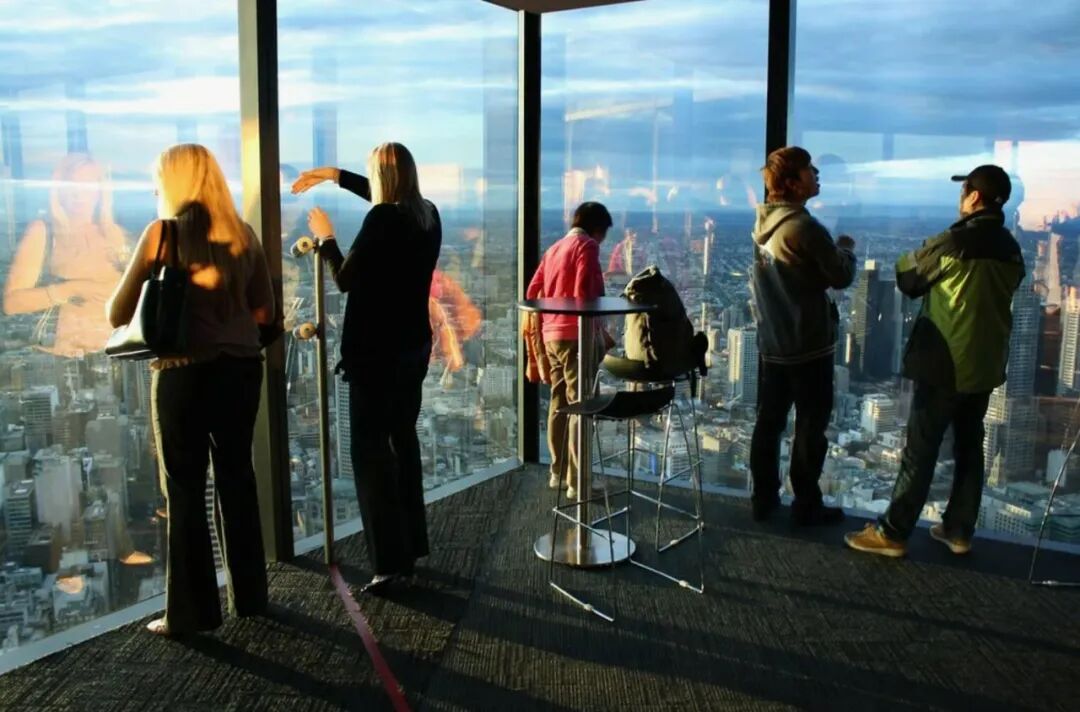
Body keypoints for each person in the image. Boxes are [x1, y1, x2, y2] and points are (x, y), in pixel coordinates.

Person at [106, 144, 275, 635]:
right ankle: (251, 598)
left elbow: (118, 313)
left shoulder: (163, 234)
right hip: (241, 370)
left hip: (184, 372)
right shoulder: (243, 235)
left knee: (183, 489)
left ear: (172, 184)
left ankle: (191, 614)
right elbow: (265, 312)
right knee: (237, 477)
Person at [845, 165, 1024, 558]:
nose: (961, 198)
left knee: (920, 450)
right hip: (986, 363)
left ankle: (893, 532)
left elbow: (908, 278)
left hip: (945, 361)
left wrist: (922, 250)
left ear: (974, 197)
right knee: (969, 446)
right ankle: (959, 530)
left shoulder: (954, 241)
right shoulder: (1012, 248)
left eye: (964, 192)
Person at [295, 143, 441, 592]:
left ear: (380, 179)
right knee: (403, 444)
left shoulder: (381, 220)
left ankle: (389, 563)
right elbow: (386, 199)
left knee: (370, 455)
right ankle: (411, 545)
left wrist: (325, 238)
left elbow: (345, 278)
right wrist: (334, 174)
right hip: (413, 350)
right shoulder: (428, 215)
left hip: (377, 356)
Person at [749, 146, 857, 525]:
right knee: (811, 427)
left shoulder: (763, 226)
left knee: (769, 423)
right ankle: (806, 503)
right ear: (793, 183)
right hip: (808, 344)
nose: (817, 174)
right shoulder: (804, 228)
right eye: (810, 170)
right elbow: (840, 276)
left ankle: (763, 498)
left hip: (773, 342)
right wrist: (846, 250)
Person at [526, 202, 613, 501]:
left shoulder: (553, 249)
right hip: (577, 335)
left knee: (559, 403)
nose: (602, 241)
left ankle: (558, 472)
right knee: (581, 405)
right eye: (603, 234)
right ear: (597, 229)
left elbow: (533, 291)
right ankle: (579, 480)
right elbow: (584, 293)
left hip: (551, 335)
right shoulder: (586, 246)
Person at [4, 153, 128, 357]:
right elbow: (12, 303)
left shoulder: (114, 235)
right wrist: (72, 289)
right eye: (71, 185)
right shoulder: (43, 232)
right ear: (58, 191)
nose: (78, 194)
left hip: (114, 357)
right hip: (63, 359)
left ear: (100, 191)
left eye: (87, 185)